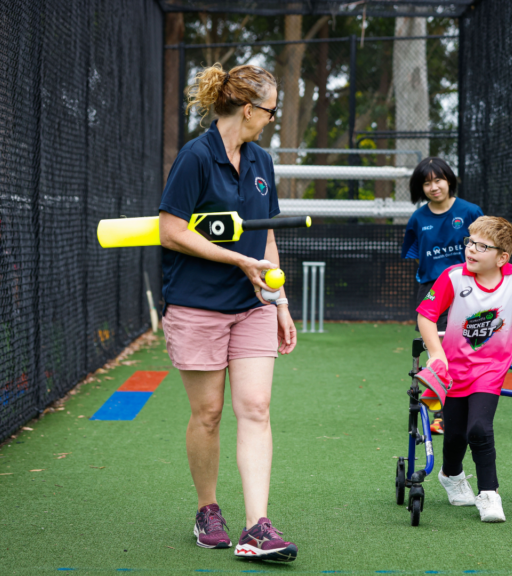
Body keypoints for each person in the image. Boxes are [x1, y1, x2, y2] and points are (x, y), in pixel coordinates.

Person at [158, 62, 298, 562]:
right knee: (209, 414)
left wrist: (278, 299)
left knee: (256, 409)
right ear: (248, 108)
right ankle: (207, 509)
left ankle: (257, 526)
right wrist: (239, 259)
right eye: (271, 110)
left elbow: (267, 230)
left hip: (253, 306)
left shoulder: (260, 161)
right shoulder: (196, 158)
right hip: (197, 305)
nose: (272, 118)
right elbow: (170, 230)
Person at [412, 216, 512, 523]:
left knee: (479, 429)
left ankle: (489, 494)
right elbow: (427, 316)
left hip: (491, 369)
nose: (471, 250)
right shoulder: (452, 277)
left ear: (502, 257)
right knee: (455, 435)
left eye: (481, 246)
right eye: (469, 242)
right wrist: (436, 353)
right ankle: (451, 474)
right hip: (453, 370)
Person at [400, 157, 483, 434]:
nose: (433, 187)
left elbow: (486, 248)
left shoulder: (470, 212)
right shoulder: (418, 218)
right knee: (437, 348)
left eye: (438, 180)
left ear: (449, 180)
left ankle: (456, 410)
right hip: (433, 289)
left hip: (468, 288)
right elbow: (415, 255)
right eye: (426, 183)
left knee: (463, 348)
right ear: (420, 188)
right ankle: (440, 408)